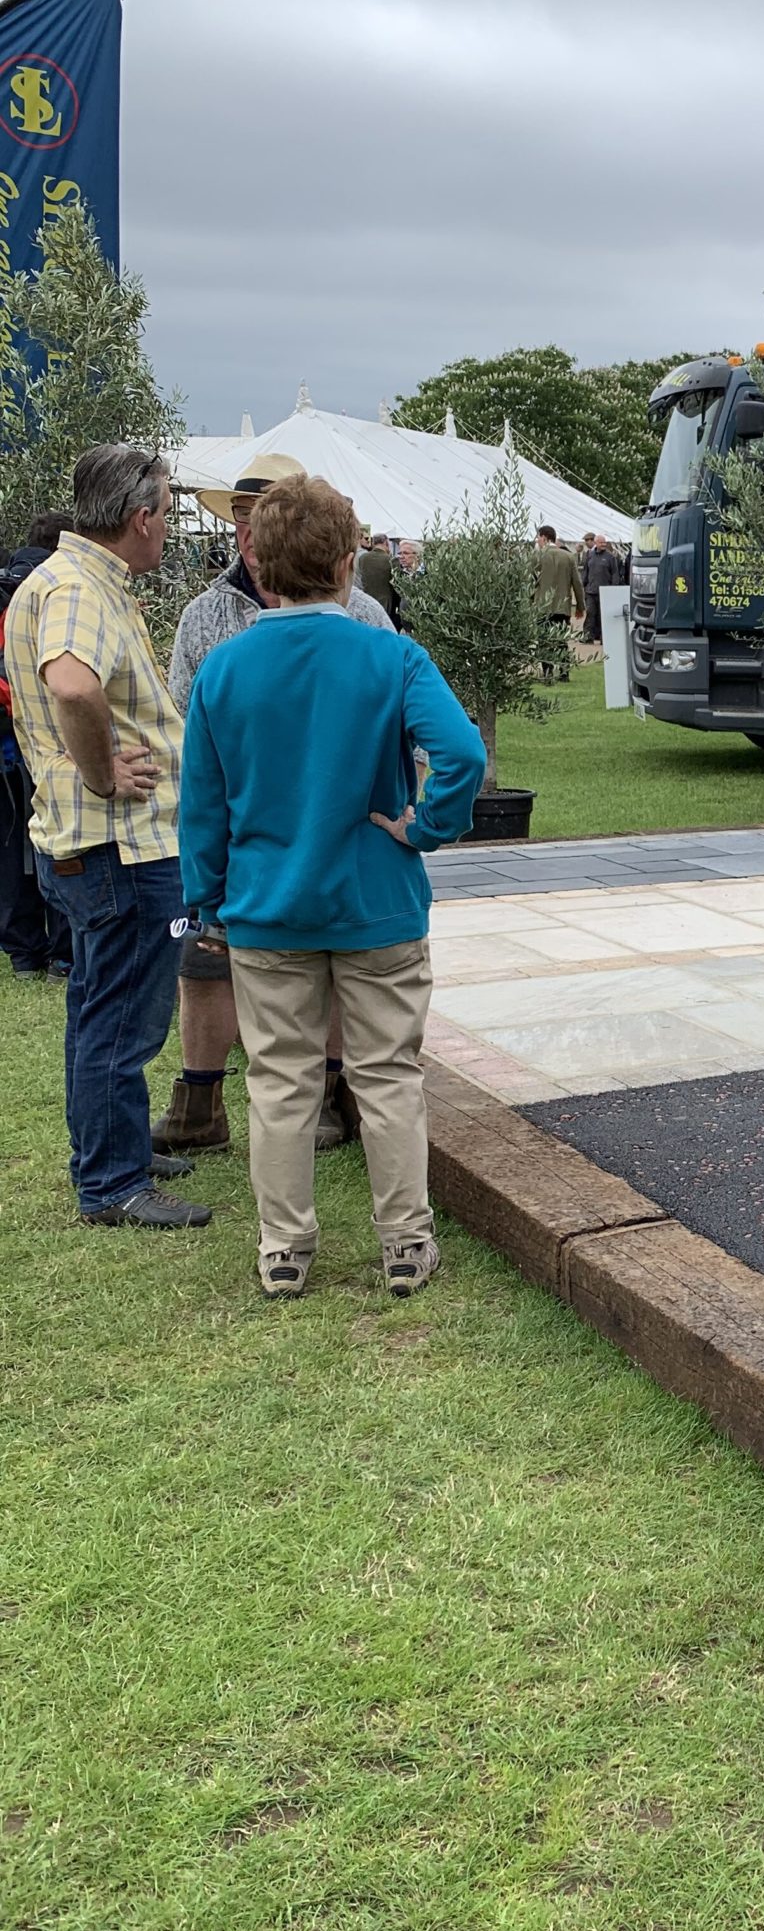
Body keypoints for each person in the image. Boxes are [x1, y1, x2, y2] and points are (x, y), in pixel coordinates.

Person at [179, 474, 486, 1299]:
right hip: (377, 903)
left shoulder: (222, 669)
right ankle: (406, 1245)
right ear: (350, 561)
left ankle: (284, 1250)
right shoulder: (392, 655)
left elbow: (201, 803)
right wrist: (425, 828)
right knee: (386, 1075)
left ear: (260, 561)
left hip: (265, 908)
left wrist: (207, 898)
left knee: (280, 1083)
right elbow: (462, 755)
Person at [155, 454, 398, 1156]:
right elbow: (185, 720)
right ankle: (200, 1101)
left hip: (333, 825)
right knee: (204, 960)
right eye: (239, 517)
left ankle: (326, 1092)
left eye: (260, 517)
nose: (248, 531)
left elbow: (397, 725)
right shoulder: (206, 614)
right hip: (235, 822)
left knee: (330, 961)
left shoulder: (364, 614)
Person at [7, 444, 210, 1228]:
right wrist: (101, 774)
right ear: (141, 517)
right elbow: (71, 684)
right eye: (168, 512)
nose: (169, 528)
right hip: (122, 844)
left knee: (99, 1004)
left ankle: (111, 1150)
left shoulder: (64, 579)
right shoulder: (79, 589)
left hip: (95, 843)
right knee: (124, 1016)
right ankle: (113, 1182)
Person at [1, 510, 75, 979]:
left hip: (7, 746)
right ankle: (64, 954)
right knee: (61, 842)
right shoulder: (56, 592)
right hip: (49, 743)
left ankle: (24, 953)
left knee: (11, 850)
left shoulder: (8, 590)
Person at [533, 523, 583, 678]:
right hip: (562, 606)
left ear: (544, 537)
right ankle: (564, 672)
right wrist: (580, 606)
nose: (538, 541)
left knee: (543, 640)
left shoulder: (538, 556)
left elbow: (531, 581)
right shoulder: (568, 557)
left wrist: (529, 602)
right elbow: (577, 583)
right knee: (561, 640)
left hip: (543, 606)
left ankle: (547, 672)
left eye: (538, 537)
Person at [581, 531, 622, 649]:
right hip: (590, 591)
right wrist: (584, 584)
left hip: (605, 592)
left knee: (602, 616)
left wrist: (613, 589)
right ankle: (588, 637)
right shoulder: (589, 555)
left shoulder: (610, 557)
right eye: (601, 543)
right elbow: (585, 571)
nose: (603, 544)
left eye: (605, 542)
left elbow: (615, 574)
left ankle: (604, 638)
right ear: (596, 543)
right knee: (590, 613)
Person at [353, 530, 399, 619]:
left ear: (373, 543)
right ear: (386, 543)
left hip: (366, 600)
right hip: (386, 603)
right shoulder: (391, 560)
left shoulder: (363, 558)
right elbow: (397, 583)